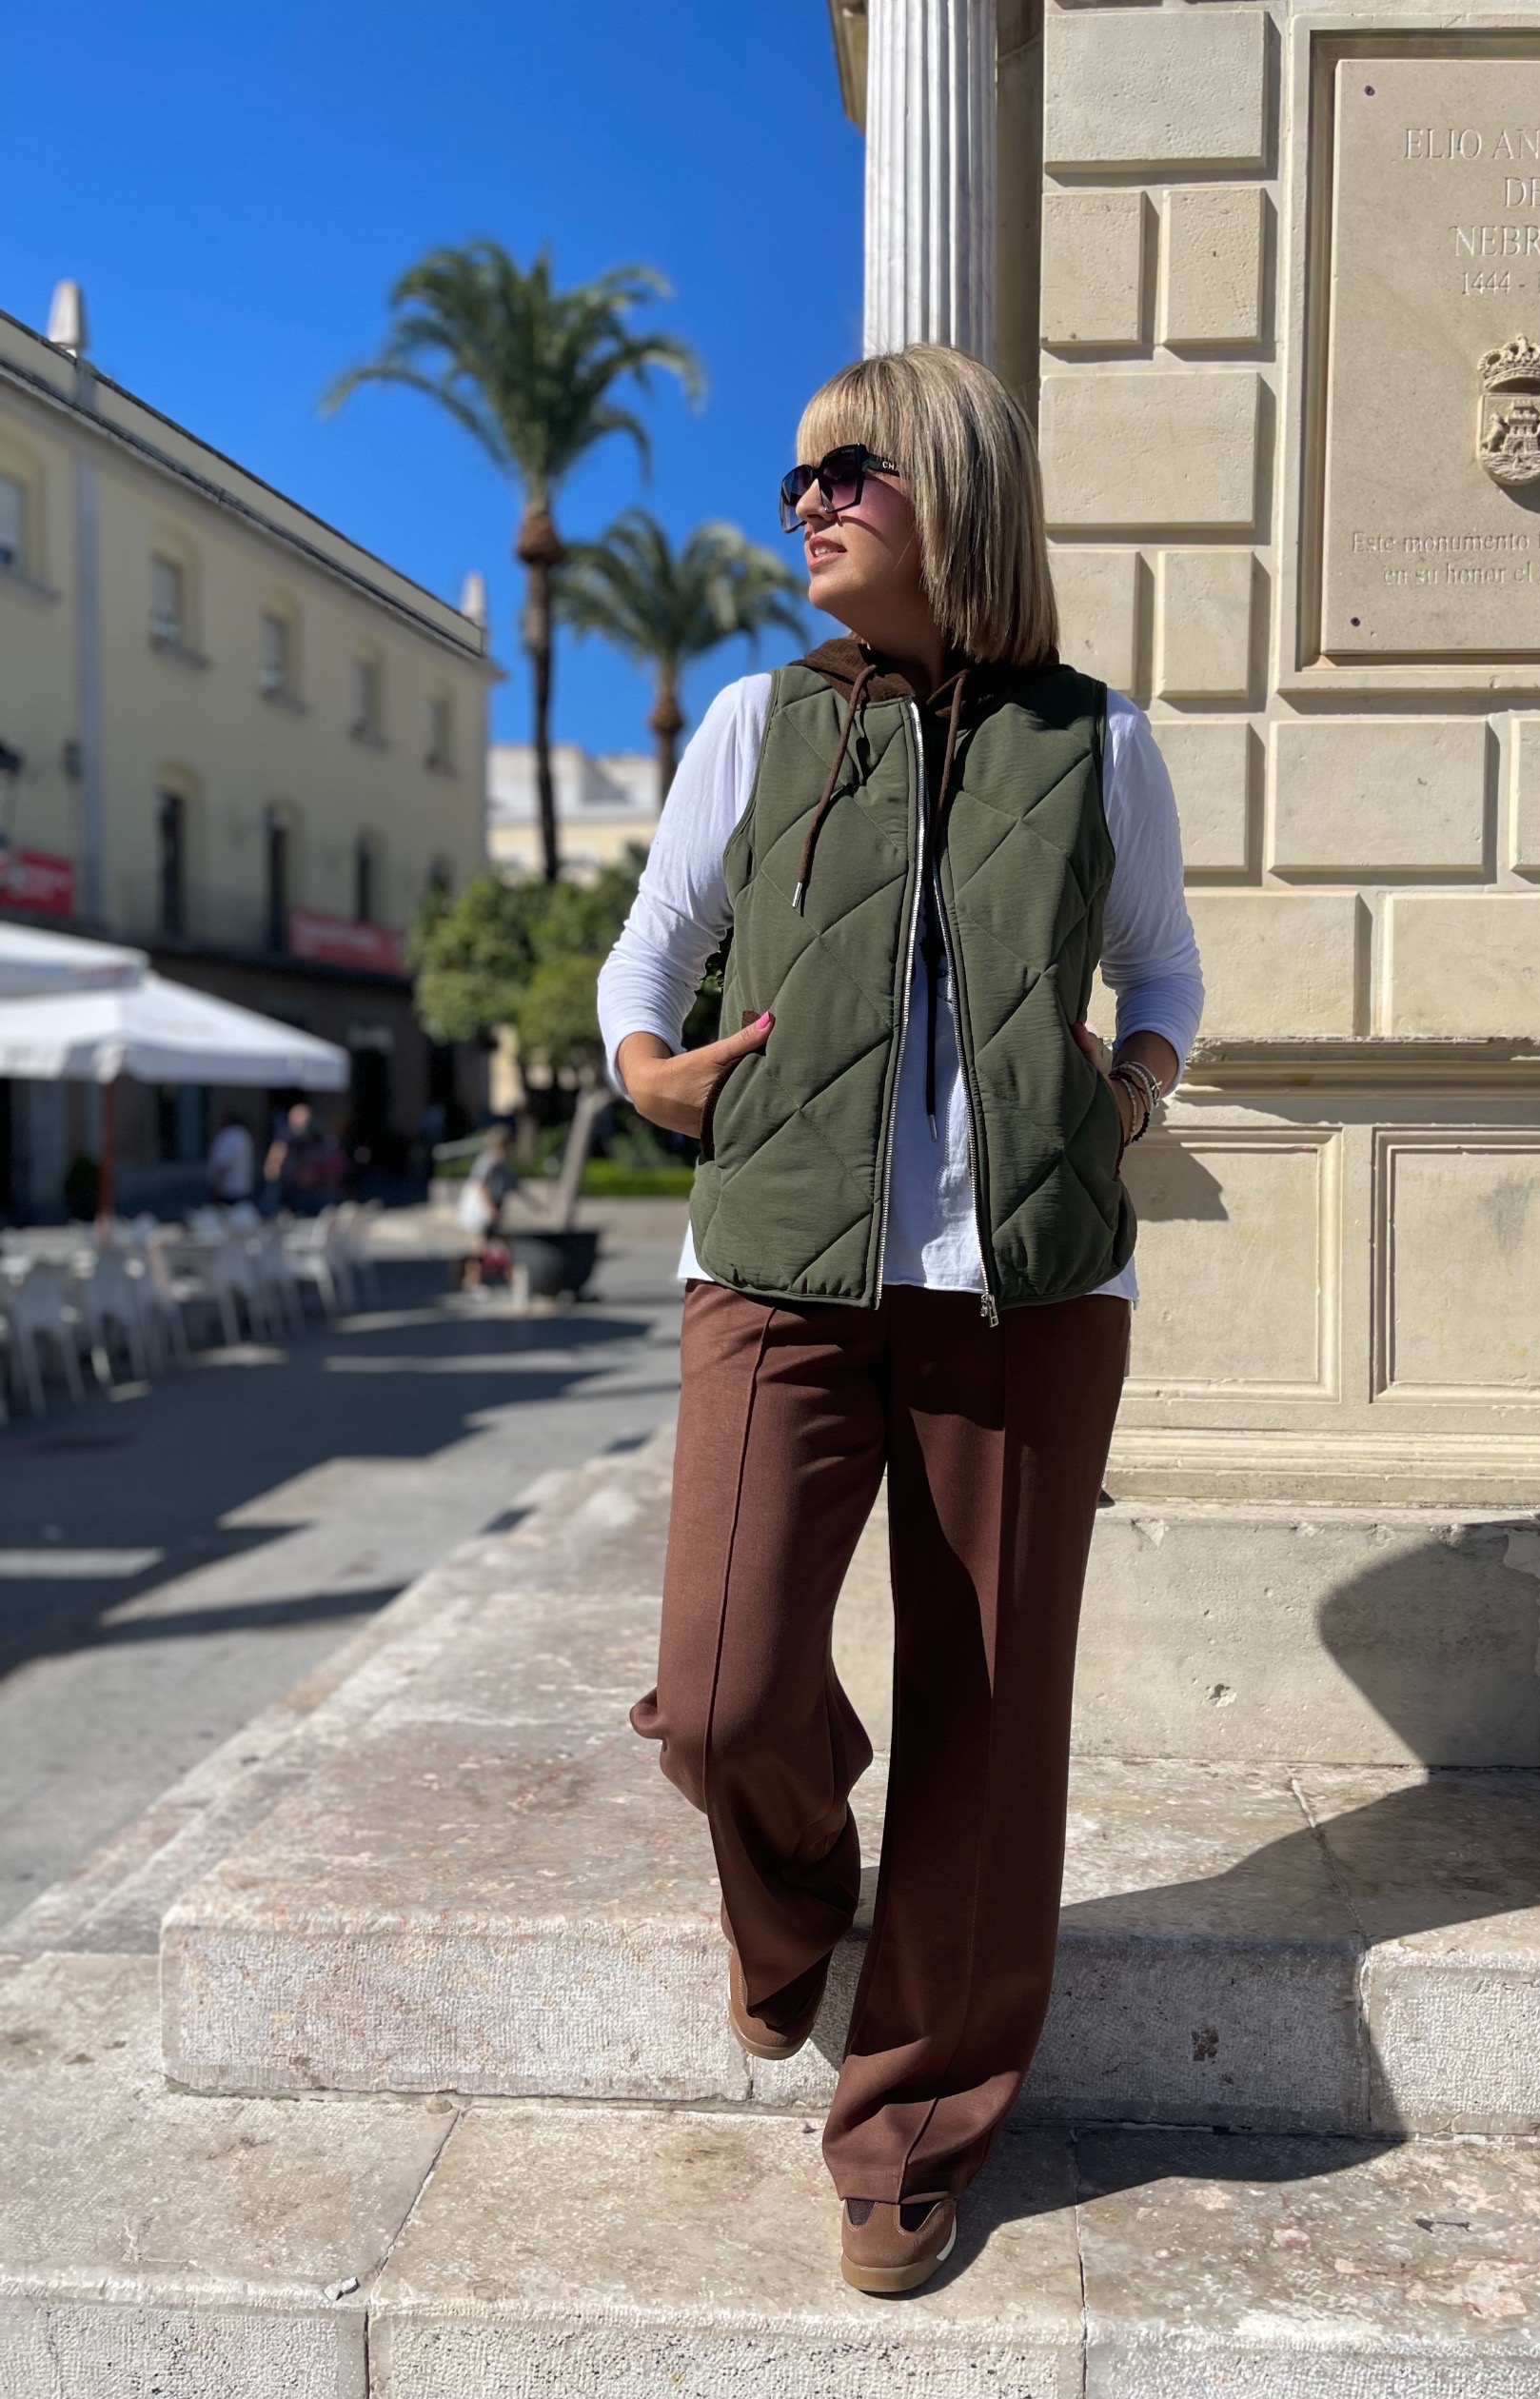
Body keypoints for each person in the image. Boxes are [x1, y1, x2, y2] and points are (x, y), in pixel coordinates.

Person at [597, 345, 1202, 2296]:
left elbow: (1164, 967)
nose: (812, 503)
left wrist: (1136, 1089)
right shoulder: (757, 725)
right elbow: (652, 949)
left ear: (959, 491)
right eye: (799, 478)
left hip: (1029, 1286)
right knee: (722, 1693)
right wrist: (646, 1070)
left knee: (991, 1715)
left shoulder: (1097, 742)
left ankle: (913, 2125)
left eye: (851, 470)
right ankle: (794, 1904)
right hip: (776, 1264)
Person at [456, 1123, 517, 1288]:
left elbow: (514, 1183)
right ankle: (472, 1278)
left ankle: (509, 1278)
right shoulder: (487, 1161)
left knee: (498, 1242)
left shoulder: (501, 1163)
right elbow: (481, 1186)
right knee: (481, 1244)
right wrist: (489, 1208)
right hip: (481, 1210)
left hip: (491, 1209)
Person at [263, 1100, 332, 1216]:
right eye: (299, 1117)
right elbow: (276, 1155)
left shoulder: (311, 1137)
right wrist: (272, 1172)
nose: (302, 1121)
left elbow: (314, 1158)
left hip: (300, 1185)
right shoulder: (285, 1134)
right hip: (283, 1181)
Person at [207, 1109, 256, 1206]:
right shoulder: (244, 1135)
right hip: (244, 1188)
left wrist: (215, 1187)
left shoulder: (227, 1137)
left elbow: (223, 1165)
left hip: (228, 1190)